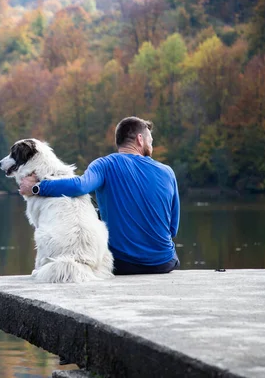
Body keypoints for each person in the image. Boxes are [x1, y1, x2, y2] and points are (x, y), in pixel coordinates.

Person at [19, 116, 180, 275]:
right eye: (150, 141)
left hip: (123, 264)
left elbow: (80, 186)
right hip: (164, 263)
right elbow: (173, 229)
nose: (151, 146)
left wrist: (36, 188)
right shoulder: (168, 172)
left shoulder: (105, 164)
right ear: (140, 139)